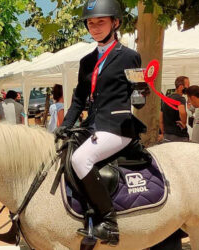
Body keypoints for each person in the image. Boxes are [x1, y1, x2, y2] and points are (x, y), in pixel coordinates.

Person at [54, 0, 144, 245]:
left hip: (118, 126)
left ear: (115, 23)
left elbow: (137, 93)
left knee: (80, 159)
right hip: (92, 125)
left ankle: (109, 220)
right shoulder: (87, 61)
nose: (94, 27)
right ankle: (85, 213)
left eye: (100, 22)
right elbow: (79, 98)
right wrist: (65, 125)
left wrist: (140, 93)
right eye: (90, 23)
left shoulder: (129, 56)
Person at [159, 76, 190, 142]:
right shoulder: (181, 99)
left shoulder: (166, 99)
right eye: (188, 85)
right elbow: (182, 112)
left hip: (167, 135)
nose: (188, 88)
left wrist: (163, 132)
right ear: (181, 87)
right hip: (179, 135)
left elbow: (161, 119)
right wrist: (184, 123)